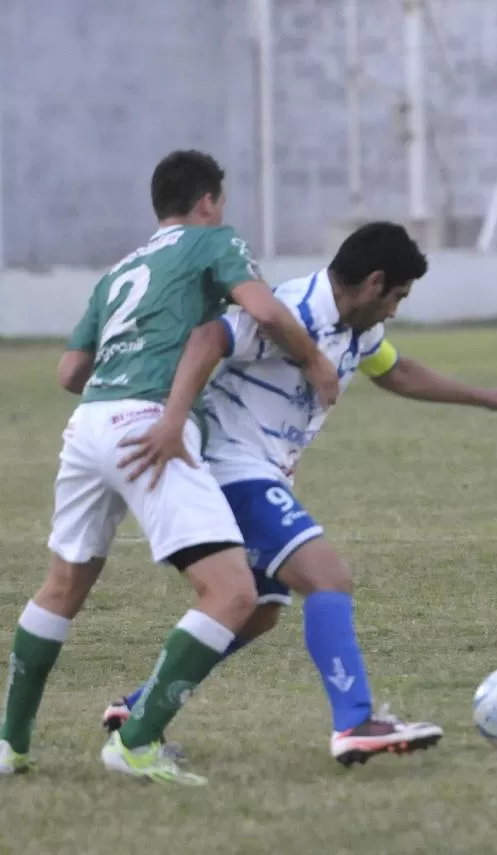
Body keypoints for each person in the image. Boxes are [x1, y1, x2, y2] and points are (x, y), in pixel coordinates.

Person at [101, 221, 497, 766]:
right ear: (374, 282)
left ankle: (139, 710)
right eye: (397, 296)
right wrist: (174, 420)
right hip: (227, 466)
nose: (396, 310)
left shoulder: (358, 328)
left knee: (256, 612)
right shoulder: (293, 311)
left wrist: (487, 398)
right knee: (328, 576)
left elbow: (395, 372)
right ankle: (354, 722)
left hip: (263, 472)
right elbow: (210, 336)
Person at [0, 150, 339, 785]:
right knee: (235, 593)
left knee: (61, 587)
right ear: (209, 201)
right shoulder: (213, 241)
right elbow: (264, 311)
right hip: (151, 425)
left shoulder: (121, 269)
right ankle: (136, 742)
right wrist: (316, 361)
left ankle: (8, 743)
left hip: (89, 426)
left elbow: (70, 373)